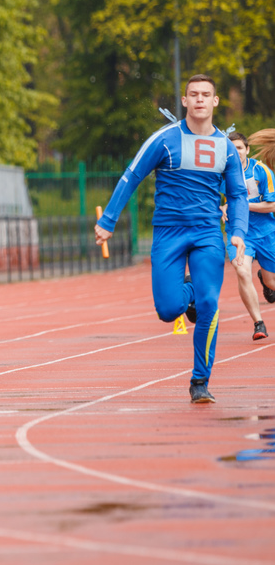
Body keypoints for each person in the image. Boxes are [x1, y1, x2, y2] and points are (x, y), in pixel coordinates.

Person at [95, 74, 249, 404]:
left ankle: (200, 381)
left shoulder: (225, 147)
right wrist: (108, 220)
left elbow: (237, 194)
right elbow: (132, 176)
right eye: (193, 94)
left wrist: (237, 233)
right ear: (184, 100)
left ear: (215, 101)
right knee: (168, 310)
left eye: (206, 95)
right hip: (168, 233)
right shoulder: (165, 139)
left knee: (210, 303)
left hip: (208, 233)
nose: (199, 100)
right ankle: (190, 292)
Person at [219, 132, 275, 340]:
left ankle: (265, 280)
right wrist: (221, 208)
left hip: (267, 232)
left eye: (240, 148)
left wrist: (242, 205)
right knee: (242, 271)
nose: (236, 152)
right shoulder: (221, 174)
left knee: (272, 282)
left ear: (247, 150)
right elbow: (209, 198)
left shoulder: (261, 170)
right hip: (238, 234)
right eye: (231, 149)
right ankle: (258, 323)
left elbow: (272, 204)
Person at [248, 129, 275, 310]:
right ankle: (268, 281)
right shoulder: (263, 171)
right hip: (268, 222)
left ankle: (267, 281)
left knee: (271, 280)